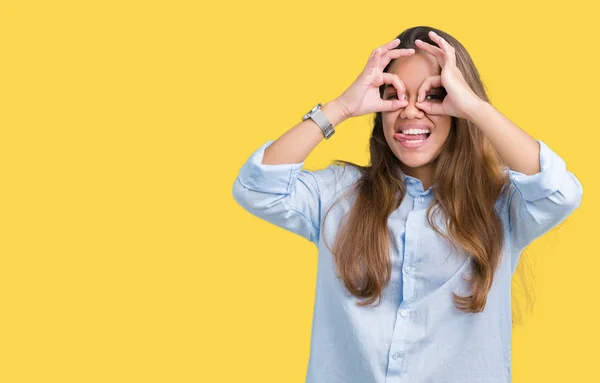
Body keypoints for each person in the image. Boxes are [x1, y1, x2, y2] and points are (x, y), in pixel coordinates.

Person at [231, 26, 583, 383]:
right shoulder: (338, 196)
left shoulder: (501, 203)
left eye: (434, 94)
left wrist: (475, 108)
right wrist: (340, 108)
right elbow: (257, 188)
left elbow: (560, 193)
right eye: (395, 95)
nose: (411, 112)